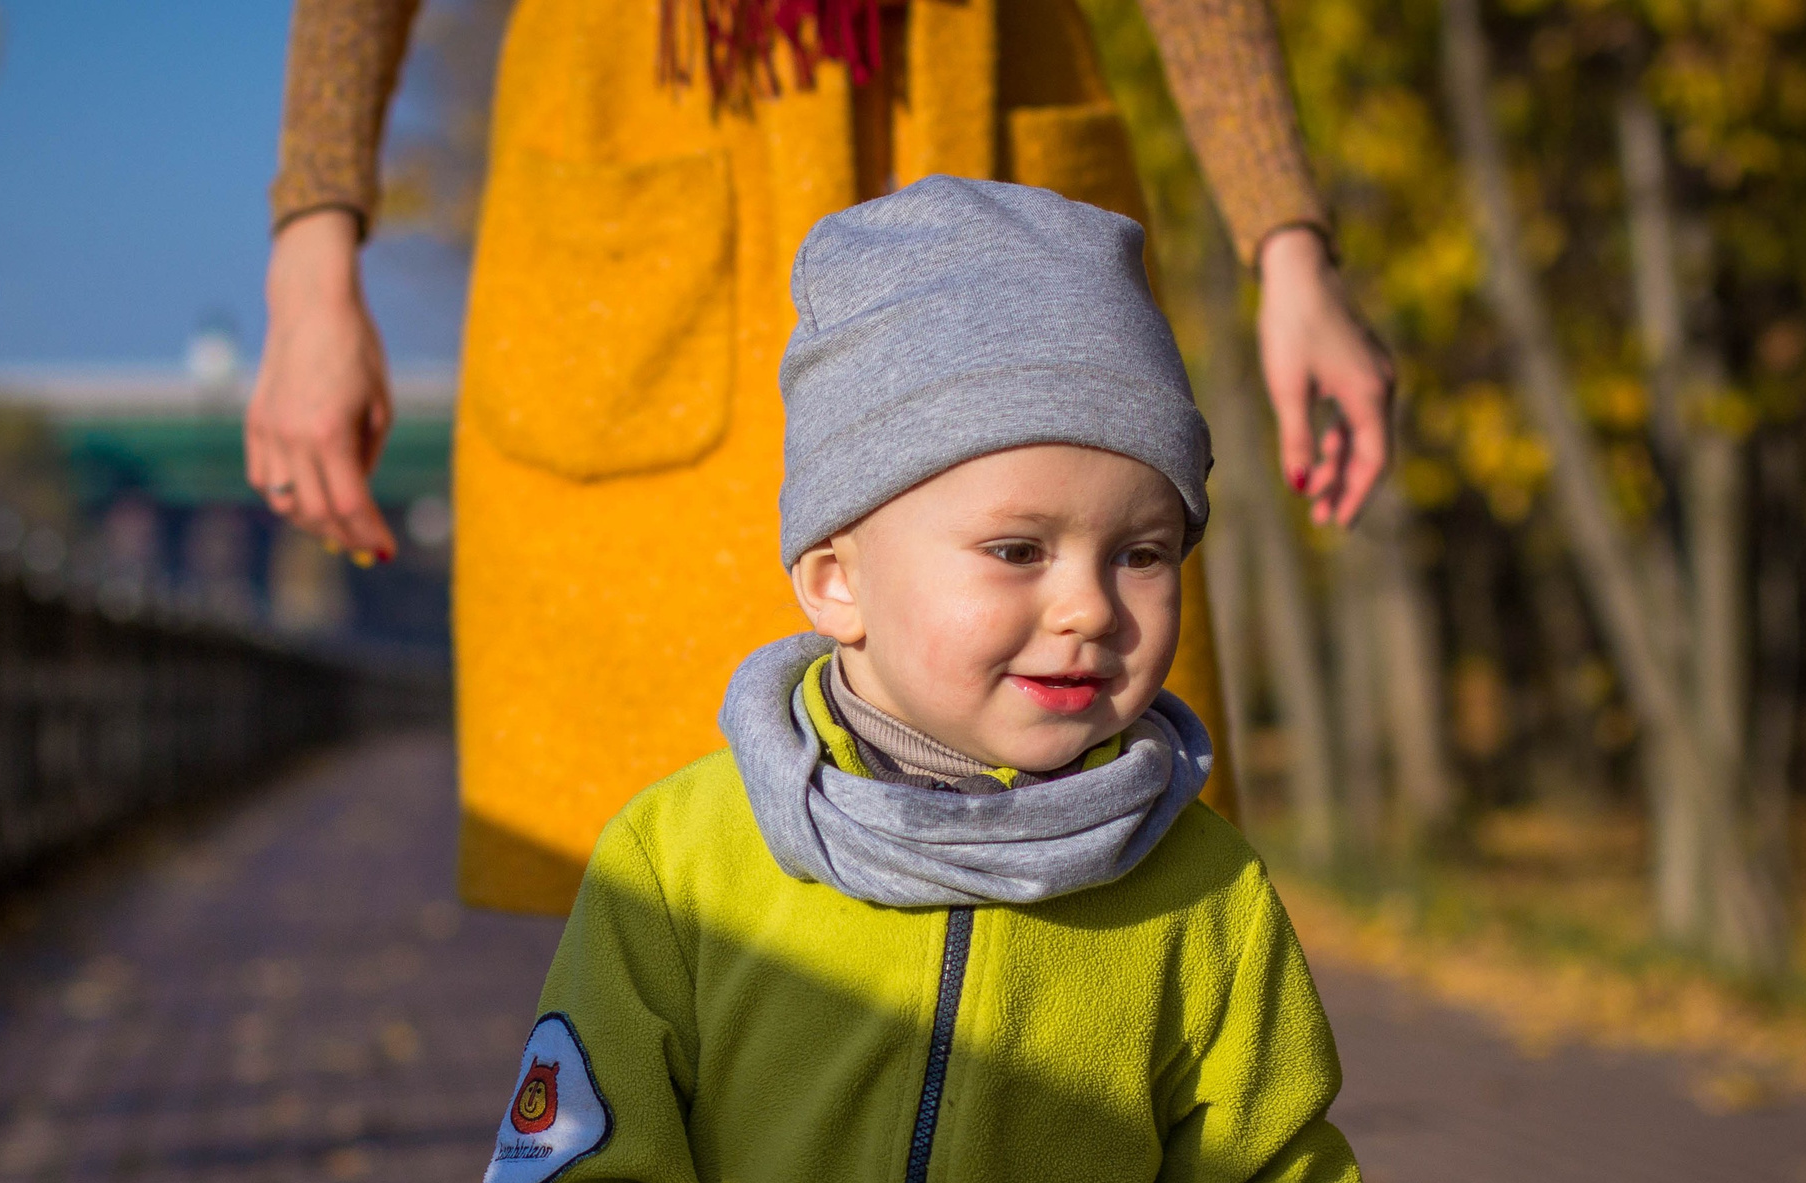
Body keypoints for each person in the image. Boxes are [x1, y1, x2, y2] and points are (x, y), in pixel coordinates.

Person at [466, 177, 1521, 1183]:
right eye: (1018, 549)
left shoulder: (1199, 894)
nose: (1090, 607)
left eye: (1143, 551)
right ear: (836, 576)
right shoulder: (682, 859)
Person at [249, 0, 1399, 913]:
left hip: (986, 121)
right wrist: (311, 256)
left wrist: (1286, 241)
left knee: (1094, 852)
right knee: (665, 902)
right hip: (638, 175)